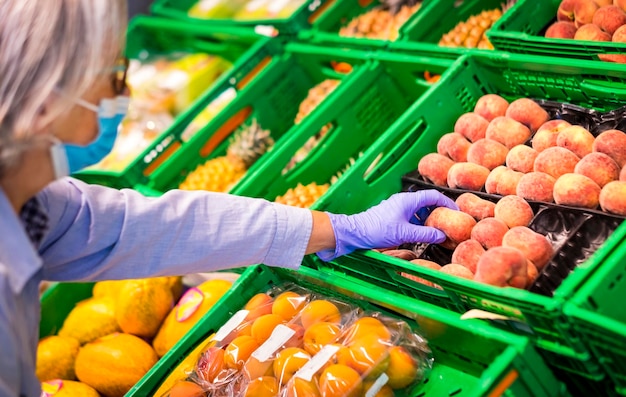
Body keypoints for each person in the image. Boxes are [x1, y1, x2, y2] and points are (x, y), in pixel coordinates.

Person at [0, 1, 458, 395]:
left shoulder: (34, 203)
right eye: (113, 76)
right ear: (44, 101)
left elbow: (154, 226)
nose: (124, 94)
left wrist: (343, 229)